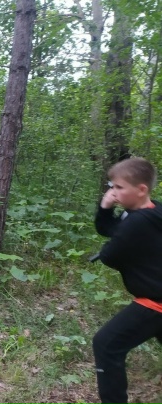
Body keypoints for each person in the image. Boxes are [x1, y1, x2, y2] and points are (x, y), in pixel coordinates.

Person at [92, 157, 162, 404]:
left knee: (106, 344)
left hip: (154, 302)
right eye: (112, 186)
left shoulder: (137, 221)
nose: (113, 192)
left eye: (119, 187)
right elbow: (110, 230)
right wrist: (105, 208)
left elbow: (110, 255)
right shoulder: (151, 210)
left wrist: (118, 250)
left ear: (141, 189)